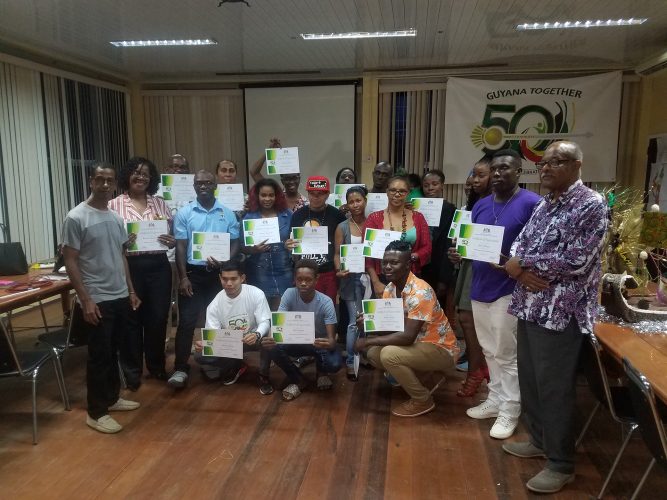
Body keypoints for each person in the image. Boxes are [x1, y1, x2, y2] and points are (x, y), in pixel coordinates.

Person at [502, 141, 609, 494]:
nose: (546, 168)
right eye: (543, 163)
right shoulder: (545, 204)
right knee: (530, 379)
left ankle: (561, 462)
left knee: (554, 388)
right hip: (530, 305)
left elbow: (577, 259)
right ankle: (538, 440)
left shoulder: (591, 206)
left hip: (560, 313)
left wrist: (524, 265)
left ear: (577, 165)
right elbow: (521, 244)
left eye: (556, 162)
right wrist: (519, 269)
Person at [457, 150, 541, 440]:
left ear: (519, 172)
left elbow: (538, 247)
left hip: (510, 288)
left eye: (504, 168)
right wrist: (460, 252)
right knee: (489, 349)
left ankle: (511, 409)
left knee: (506, 352)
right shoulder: (481, 204)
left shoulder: (533, 204)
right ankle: (494, 399)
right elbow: (472, 242)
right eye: (493, 169)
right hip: (480, 284)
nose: (497, 174)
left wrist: (514, 262)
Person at [62, 162, 141, 434]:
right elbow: (70, 261)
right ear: (90, 182)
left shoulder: (116, 218)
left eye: (109, 180)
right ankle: (96, 413)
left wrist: (130, 290)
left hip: (119, 295)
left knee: (114, 352)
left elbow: (121, 256)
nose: (105, 185)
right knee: (99, 356)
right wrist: (85, 299)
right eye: (100, 180)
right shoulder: (76, 217)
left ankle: (111, 398)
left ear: (115, 184)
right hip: (97, 298)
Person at [355, 241, 458, 417]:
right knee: (373, 354)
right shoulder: (390, 288)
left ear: (408, 265)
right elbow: (392, 326)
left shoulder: (420, 292)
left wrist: (369, 339)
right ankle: (419, 376)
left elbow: (407, 337)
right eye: (385, 262)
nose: (387, 267)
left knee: (388, 354)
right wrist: (370, 323)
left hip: (440, 348)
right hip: (418, 345)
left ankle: (422, 400)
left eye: (394, 262)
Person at [169, 170, 241, 388]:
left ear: (215, 185)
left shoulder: (228, 213)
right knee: (188, 321)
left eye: (208, 183)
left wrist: (224, 259)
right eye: (199, 183)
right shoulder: (184, 213)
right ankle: (181, 368)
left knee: (218, 321)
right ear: (193, 186)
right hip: (193, 275)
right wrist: (182, 278)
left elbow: (236, 242)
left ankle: (215, 363)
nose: (203, 186)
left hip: (219, 277)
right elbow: (181, 247)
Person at [108, 157, 176, 388]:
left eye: (146, 174)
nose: (141, 177)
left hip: (158, 266)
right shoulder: (114, 205)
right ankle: (132, 371)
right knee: (131, 320)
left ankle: (156, 367)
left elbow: (172, 237)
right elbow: (110, 242)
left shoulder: (160, 204)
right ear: (127, 176)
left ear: (152, 179)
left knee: (158, 319)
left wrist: (171, 241)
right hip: (130, 268)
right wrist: (122, 242)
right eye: (136, 173)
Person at [262, 259, 342, 401]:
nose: (303, 283)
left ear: (316, 279)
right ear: (295, 279)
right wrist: (271, 338)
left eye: (308, 279)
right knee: (272, 347)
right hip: (295, 341)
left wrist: (330, 343)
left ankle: (321, 372)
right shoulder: (289, 294)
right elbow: (278, 324)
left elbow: (331, 340)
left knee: (334, 364)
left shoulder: (326, 302)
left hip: (318, 344)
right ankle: (298, 379)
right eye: (299, 279)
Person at [449, 157, 492, 397]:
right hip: (468, 266)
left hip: (488, 269)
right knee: (466, 319)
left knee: (472, 321)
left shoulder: (498, 204)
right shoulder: (474, 205)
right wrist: (456, 252)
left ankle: (477, 370)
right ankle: (478, 368)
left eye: (481, 175)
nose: (475, 180)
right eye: (474, 175)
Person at [192, 260, 273, 390]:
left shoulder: (256, 294)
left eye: (233, 279)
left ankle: (264, 375)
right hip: (230, 343)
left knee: (268, 340)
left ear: (242, 278)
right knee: (200, 355)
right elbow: (213, 335)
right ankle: (236, 365)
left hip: (254, 338)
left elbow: (265, 321)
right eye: (225, 279)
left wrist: (256, 334)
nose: (229, 283)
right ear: (220, 278)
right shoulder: (214, 304)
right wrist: (206, 343)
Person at [364, 176, 431, 298]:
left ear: (408, 193)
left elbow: (426, 247)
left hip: (411, 276)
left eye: (402, 191)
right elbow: (368, 256)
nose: (397, 194)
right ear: (387, 191)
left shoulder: (418, 217)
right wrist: (376, 282)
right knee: (386, 316)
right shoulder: (374, 219)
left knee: (410, 315)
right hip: (383, 278)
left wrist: (412, 256)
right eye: (393, 190)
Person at [286, 176, 346, 304]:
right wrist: (288, 245)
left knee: (328, 308)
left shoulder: (337, 216)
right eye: (312, 194)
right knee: (304, 309)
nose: (315, 197)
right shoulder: (298, 214)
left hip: (327, 271)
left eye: (320, 194)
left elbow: (342, 245)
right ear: (307, 194)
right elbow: (290, 240)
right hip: (303, 272)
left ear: (327, 195)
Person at [334, 186, 369, 381]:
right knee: (353, 323)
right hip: (350, 278)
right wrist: (339, 269)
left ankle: (361, 355)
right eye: (351, 201)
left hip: (370, 278)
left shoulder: (374, 223)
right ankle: (349, 361)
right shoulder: (342, 227)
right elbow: (337, 253)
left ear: (365, 200)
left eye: (359, 200)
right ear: (347, 204)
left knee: (367, 321)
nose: (355, 205)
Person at [243, 178, 294, 310]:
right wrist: (253, 249)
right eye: (263, 195)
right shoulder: (249, 218)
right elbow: (242, 247)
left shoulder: (287, 215)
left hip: (284, 270)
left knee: (281, 314)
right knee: (262, 314)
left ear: (277, 196)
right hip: (259, 271)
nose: (267, 199)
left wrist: (290, 244)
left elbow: (296, 239)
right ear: (257, 196)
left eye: (271, 195)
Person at [420, 170, 457, 327]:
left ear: (442, 185)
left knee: (438, 307)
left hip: (439, 265)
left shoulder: (450, 209)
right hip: (420, 265)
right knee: (420, 305)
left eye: (434, 184)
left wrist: (444, 277)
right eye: (426, 185)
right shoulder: (416, 207)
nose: (430, 188)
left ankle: (438, 342)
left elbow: (449, 244)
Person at [249, 137, 307, 212]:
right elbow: (254, 172)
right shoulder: (274, 194)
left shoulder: (306, 203)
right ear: (282, 180)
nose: (292, 181)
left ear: (299, 178)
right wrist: (269, 153)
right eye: (287, 179)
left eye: (294, 177)